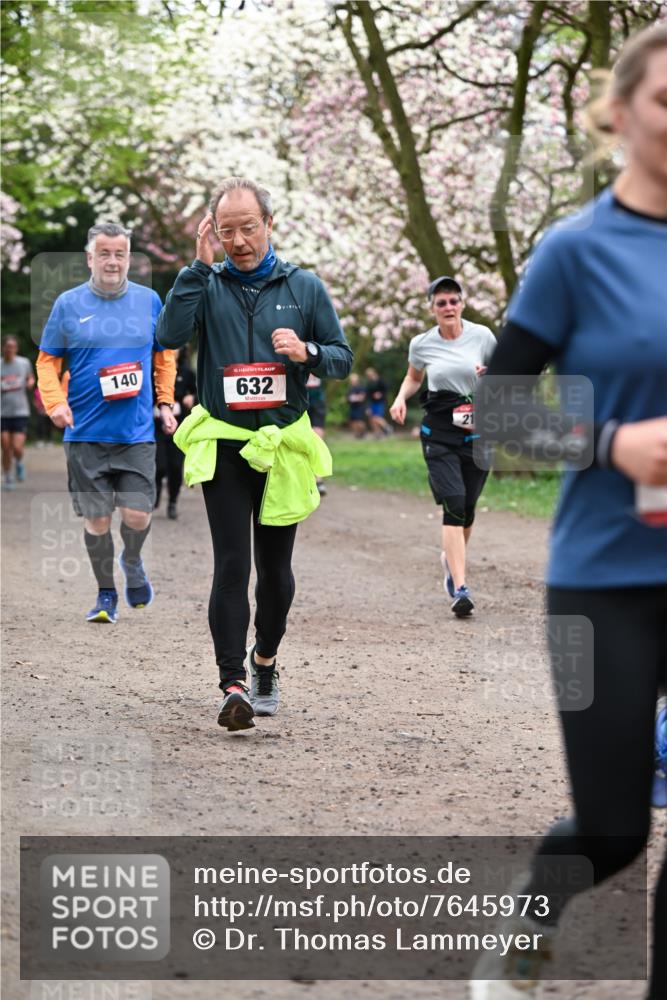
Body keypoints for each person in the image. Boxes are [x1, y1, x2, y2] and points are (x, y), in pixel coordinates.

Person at [470, 24, 667, 999]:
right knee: (613, 828)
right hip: (602, 585)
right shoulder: (576, 251)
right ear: (619, 112)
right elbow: (495, 417)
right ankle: (527, 922)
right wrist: (609, 442)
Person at [157, 176, 353, 731]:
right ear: (213, 233)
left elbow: (342, 358)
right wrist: (196, 268)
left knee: (275, 572)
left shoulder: (305, 287)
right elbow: (168, 333)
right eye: (227, 231)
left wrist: (307, 351)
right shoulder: (207, 282)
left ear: (270, 224)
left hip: (282, 447)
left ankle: (264, 660)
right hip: (225, 442)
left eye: (248, 228)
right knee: (231, 566)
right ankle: (232, 684)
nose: (239, 240)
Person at [36, 222, 177, 624]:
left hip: (135, 434)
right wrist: (55, 404)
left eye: (120, 254)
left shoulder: (150, 301)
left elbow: (164, 357)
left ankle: (131, 560)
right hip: (84, 434)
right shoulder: (68, 304)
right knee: (97, 521)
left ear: (129, 258)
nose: (113, 261)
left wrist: (165, 402)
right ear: (90, 258)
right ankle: (105, 593)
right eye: (105, 253)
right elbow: (47, 362)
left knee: (137, 515)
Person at [389, 277, 496, 617]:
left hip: (480, 432)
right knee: (454, 501)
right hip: (440, 433)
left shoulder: (483, 337)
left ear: (462, 303)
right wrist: (400, 398)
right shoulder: (421, 343)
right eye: (441, 303)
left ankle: (450, 558)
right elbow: (414, 377)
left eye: (453, 301)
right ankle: (460, 586)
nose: (448, 308)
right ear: (432, 308)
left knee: (468, 508)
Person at [154, 346, 197, 519]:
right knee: (159, 464)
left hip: (179, 427)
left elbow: (201, 391)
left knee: (175, 466)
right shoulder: (154, 370)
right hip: (155, 425)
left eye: (176, 347)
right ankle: (155, 492)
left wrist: (192, 398)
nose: (173, 350)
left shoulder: (187, 372)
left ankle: (172, 502)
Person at [1, 335, 35, 488]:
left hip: (20, 411)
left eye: (13, 347)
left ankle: (19, 462)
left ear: (16, 349)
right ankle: (8, 476)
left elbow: (31, 378)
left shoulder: (24, 363)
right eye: (7, 347)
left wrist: (30, 383)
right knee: (5, 447)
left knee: (17, 447)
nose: (10, 350)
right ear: (3, 348)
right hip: (2, 412)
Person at [306, 371, 328, 496]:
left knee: (316, 441)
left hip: (315, 402)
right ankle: (316, 481)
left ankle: (318, 480)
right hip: (301, 402)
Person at [364, 366, 391, 437]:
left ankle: (388, 428)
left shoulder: (381, 381)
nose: (369, 376)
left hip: (380, 402)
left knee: (377, 417)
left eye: (370, 374)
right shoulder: (369, 384)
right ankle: (378, 433)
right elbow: (368, 395)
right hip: (372, 403)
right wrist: (368, 407)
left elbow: (386, 390)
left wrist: (380, 394)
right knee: (371, 419)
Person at [347, 372, 368, 438]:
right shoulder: (350, 388)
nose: (353, 381)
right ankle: (357, 434)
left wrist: (355, 398)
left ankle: (363, 432)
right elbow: (348, 397)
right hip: (352, 407)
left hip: (360, 406)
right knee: (353, 421)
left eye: (354, 380)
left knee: (359, 422)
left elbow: (362, 397)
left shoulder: (361, 387)